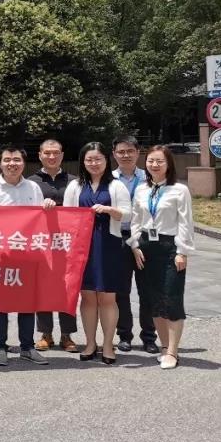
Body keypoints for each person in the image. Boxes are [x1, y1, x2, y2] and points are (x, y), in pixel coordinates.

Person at [0, 145, 57, 367]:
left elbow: (40, 219)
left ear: (23, 163)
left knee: (27, 303)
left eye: (16, 160)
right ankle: (0, 346)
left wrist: (48, 206)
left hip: (27, 254)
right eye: (7, 160)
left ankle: (27, 347)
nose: (12, 164)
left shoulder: (33, 187)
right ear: (0, 163)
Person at [64, 143, 132, 365]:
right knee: (87, 296)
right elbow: (67, 216)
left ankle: (109, 344)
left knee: (108, 297)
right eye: (89, 159)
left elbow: (128, 215)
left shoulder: (116, 185)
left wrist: (110, 210)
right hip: (82, 247)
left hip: (109, 245)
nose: (94, 163)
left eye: (98, 159)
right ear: (82, 162)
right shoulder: (75, 186)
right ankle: (90, 343)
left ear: (106, 160)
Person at [128, 144, 194, 370]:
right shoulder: (141, 189)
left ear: (169, 164)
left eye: (160, 161)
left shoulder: (179, 189)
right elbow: (136, 219)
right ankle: (164, 347)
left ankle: (173, 351)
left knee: (172, 298)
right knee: (152, 299)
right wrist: (135, 244)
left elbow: (185, 223)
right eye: (151, 161)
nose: (154, 165)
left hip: (170, 247)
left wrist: (182, 251)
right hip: (146, 247)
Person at [29, 138, 79, 352]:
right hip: (41, 243)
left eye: (55, 152)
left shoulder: (75, 181)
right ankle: (45, 333)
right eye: (47, 153)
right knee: (43, 288)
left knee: (68, 287)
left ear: (62, 155)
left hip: (68, 243)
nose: (51, 156)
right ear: (40, 155)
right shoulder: (31, 182)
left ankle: (67, 335)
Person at [112, 135, 159, 353]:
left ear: (138, 153)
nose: (126, 155)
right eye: (121, 151)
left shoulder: (150, 177)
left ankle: (149, 336)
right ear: (114, 154)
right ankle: (124, 335)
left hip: (144, 238)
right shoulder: (109, 179)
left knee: (147, 290)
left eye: (130, 151)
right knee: (121, 290)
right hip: (118, 238)